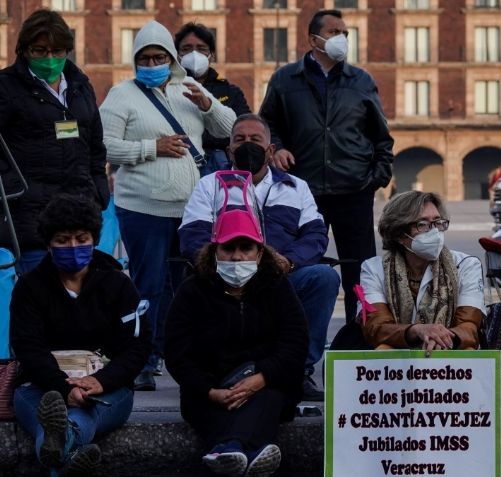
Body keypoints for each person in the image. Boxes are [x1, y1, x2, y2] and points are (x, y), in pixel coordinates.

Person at [99, 20, 236, 391]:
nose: (153, 62)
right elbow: (104, 146)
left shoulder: (187, 88)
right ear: (135, 60)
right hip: (142, 208)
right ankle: (142, 359)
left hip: (190, 210)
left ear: (172, 59)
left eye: (160, 56)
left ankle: (183, 356)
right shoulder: (121, 95)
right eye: (146, 57)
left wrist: (208, 104)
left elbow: (229, 129)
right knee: (149, 286)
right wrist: (151, 148)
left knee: (190, 287)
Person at [180, 114, 339, 401]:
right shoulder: (210, 185)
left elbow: (315, 236)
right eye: (239, 140)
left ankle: (298, 371)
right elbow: (193, 237)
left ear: (270, 149)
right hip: (227, 276)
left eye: (255, 140)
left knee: (324, 277)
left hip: (282, 275)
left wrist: (288, 261)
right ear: (229, 150)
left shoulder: (295, 187)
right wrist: (226, 261)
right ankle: (217, 370)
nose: (247, 145)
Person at [259, 9, 395, 324]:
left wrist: (376, 177)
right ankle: (296, 338)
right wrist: (276, 148)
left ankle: (359, 338)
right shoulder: (284, 79)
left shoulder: (361, 80)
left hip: (353, 191)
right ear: (313, 39)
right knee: (300, 267)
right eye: (334, 32)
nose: (342, 39)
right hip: (301, 192)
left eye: (345, 33)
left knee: (359, 271)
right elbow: (267, 124)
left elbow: (381, 137)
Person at [10, 194, 151, 475]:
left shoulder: (118, 285)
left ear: (94, 238)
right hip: (40, 386)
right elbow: (28, 347)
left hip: (107, 388)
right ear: (48, 242)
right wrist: (64, 387)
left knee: (63, 423)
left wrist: (98, 382)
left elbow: (137, 346)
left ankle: (65, 443)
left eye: (80, 238)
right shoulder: (30, 287)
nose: (73, 246)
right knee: (55, 417)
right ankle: (70, 445)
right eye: (62, 240)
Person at [165, 208, 308, 477]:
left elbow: (295, 344)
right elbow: (176, 353)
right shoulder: (192, 290)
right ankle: (252, 452)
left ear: (260, 253)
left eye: (246, 248)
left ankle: (228, 447)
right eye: (228, 248)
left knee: (267, 398)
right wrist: (210, 391)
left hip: (267, 385)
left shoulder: (278, 288)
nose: (237, 256)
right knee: (223, 411)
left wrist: (260, 379)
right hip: (207, 391)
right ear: (214, 251)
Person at [0, 9, 110, 273]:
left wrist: (98, 191)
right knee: (38, 301)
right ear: (24, 50)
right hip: (30, 220)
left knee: (79, 302)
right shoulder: (6, 87)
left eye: (57, 51)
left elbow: (95, 145)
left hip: (79, 215)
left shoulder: (80, 85)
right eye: (40, 51)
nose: (49, 58)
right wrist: (13, 189)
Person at [359, 191, 484, 351]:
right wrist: (416, 331)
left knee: (468, 350)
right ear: (399, 233)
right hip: (397, 361)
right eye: (423, 224)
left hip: (449, 354)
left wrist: (439, 337)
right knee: (383, 348)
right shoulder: (373, 269)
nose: (434, 232)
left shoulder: (466, 265)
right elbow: (375, 327)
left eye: (438, 222)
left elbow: (470, 327)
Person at [175, 22, 251, 177]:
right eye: (186, 49)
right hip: (180, 168)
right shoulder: (168, 89)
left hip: (220, 170)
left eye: (201, 49)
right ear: (177, 55)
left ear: (212, 55)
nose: (194, 54)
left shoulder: (231, 92)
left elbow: (245, 129)